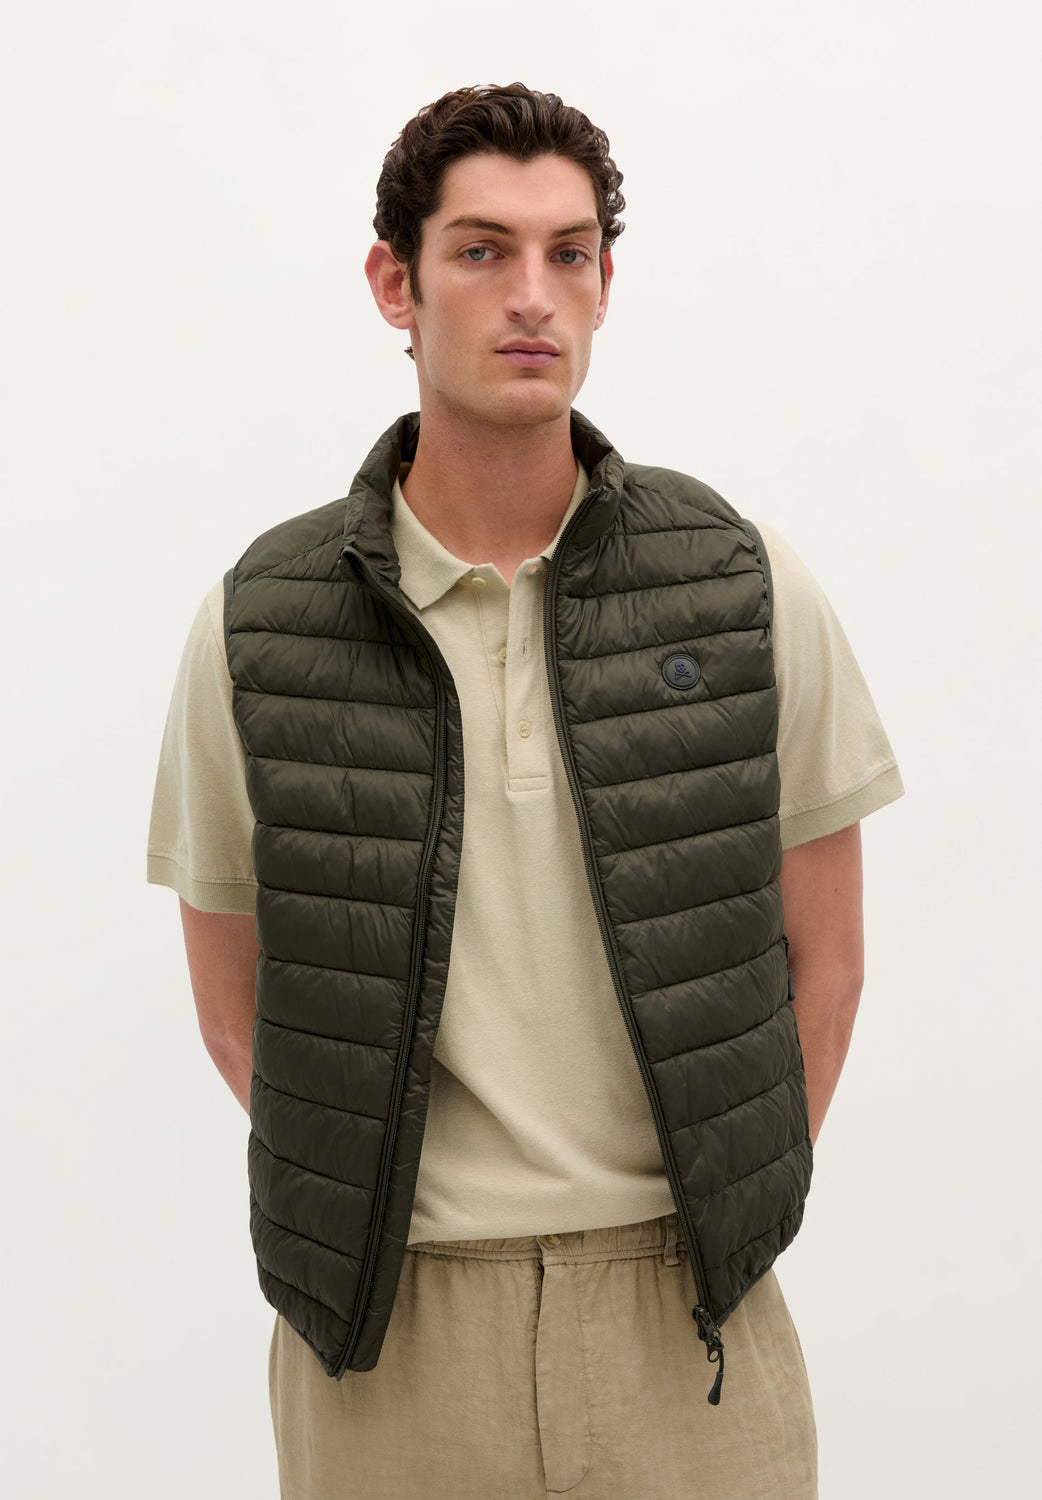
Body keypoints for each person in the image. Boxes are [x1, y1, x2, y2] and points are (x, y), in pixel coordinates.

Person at [147, 83, 904, 1500]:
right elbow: (233, 998)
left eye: (569, 253)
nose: (532, 295)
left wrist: (728, 1205)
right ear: (396, 284)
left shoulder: (739, 584)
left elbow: (831, 957)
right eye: (482, 250)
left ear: (607, 285)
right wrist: (384, 1203)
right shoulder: (262, 621)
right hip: (388, 1337)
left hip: (690, 1320)